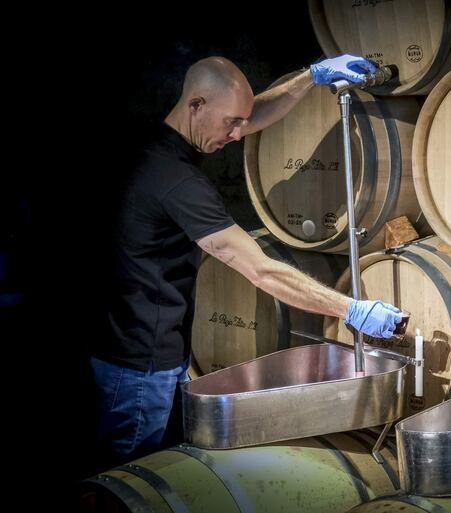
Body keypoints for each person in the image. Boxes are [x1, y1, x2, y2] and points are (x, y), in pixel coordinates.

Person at [91, 54, 403, 467]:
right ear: (196, 105)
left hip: (122, 348)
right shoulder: (179, 183)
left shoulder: (155, 142)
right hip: (140, 370)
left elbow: (249, 116)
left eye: (241, 121)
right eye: (230, 123)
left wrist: (309, 77)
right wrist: (351, 309)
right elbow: (261, 269)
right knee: (124, 483)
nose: (239, 135)